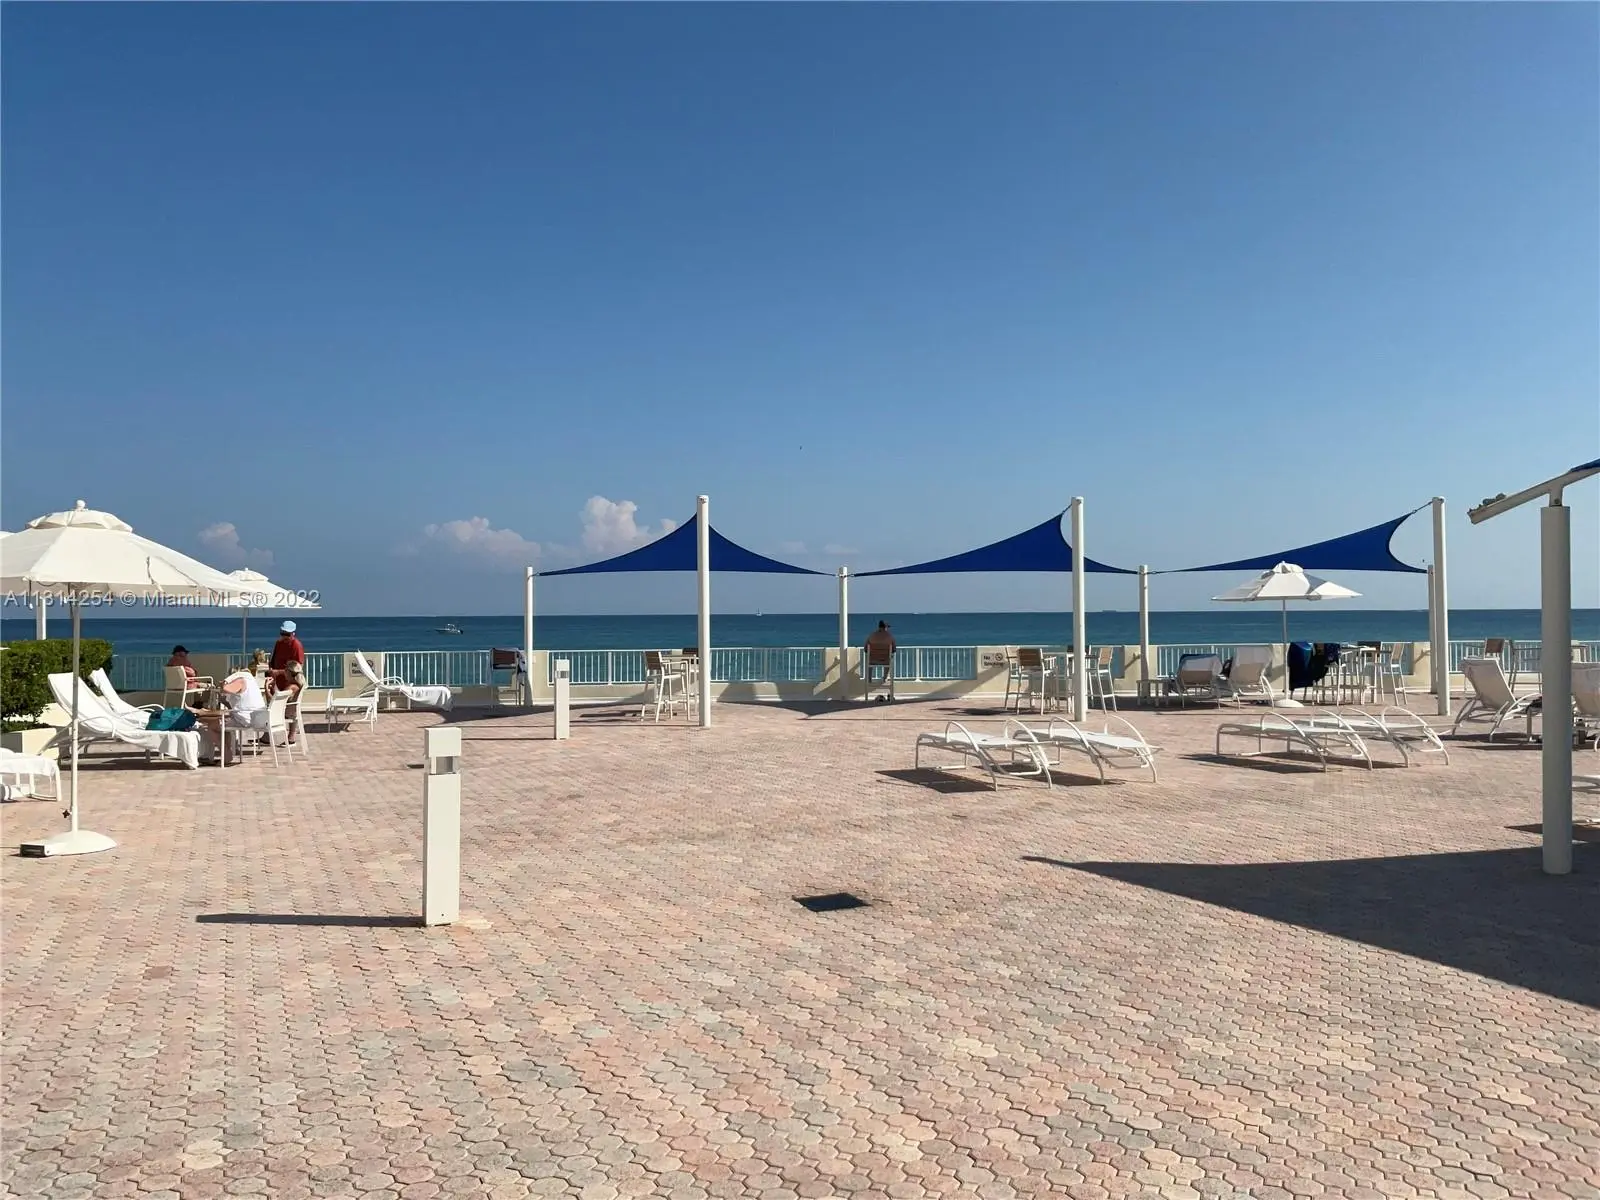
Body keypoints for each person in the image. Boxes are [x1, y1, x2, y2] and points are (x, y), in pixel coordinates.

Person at [219, 666, 267, 759]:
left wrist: (225, 681)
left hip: (247, 719)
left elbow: (224, 688)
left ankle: (226, 754)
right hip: (258, 717)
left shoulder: (240, 681)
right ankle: (233, 748)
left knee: (214, 724)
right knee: (228, 718)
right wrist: (225, 702)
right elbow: (239, 705)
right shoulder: (252, 682)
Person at [863, 621, 897, 702]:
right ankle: (884, 678)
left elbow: (865, 649)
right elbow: (894, 650)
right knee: (889, 660)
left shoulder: (872, 635)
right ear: (886, 627)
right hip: (885, 661)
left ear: (879, 627)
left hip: (873, 660)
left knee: (869, 661)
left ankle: (869, 679)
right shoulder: (890, 636)